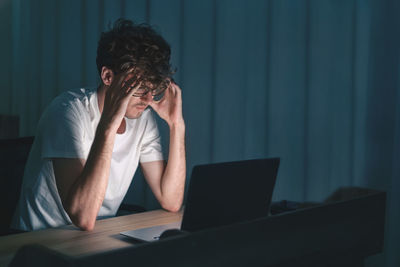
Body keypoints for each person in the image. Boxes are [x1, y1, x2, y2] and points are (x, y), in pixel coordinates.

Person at [11, 19, 186, 231]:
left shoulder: (143, 118)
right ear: (108, 76)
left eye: (153, 88)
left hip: (94, 238)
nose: (148, 99)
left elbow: (172, 201)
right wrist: (108, 125)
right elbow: (83, 216)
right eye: (139, 88)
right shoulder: (66, 111)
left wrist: (176, 125)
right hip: (38, 242)